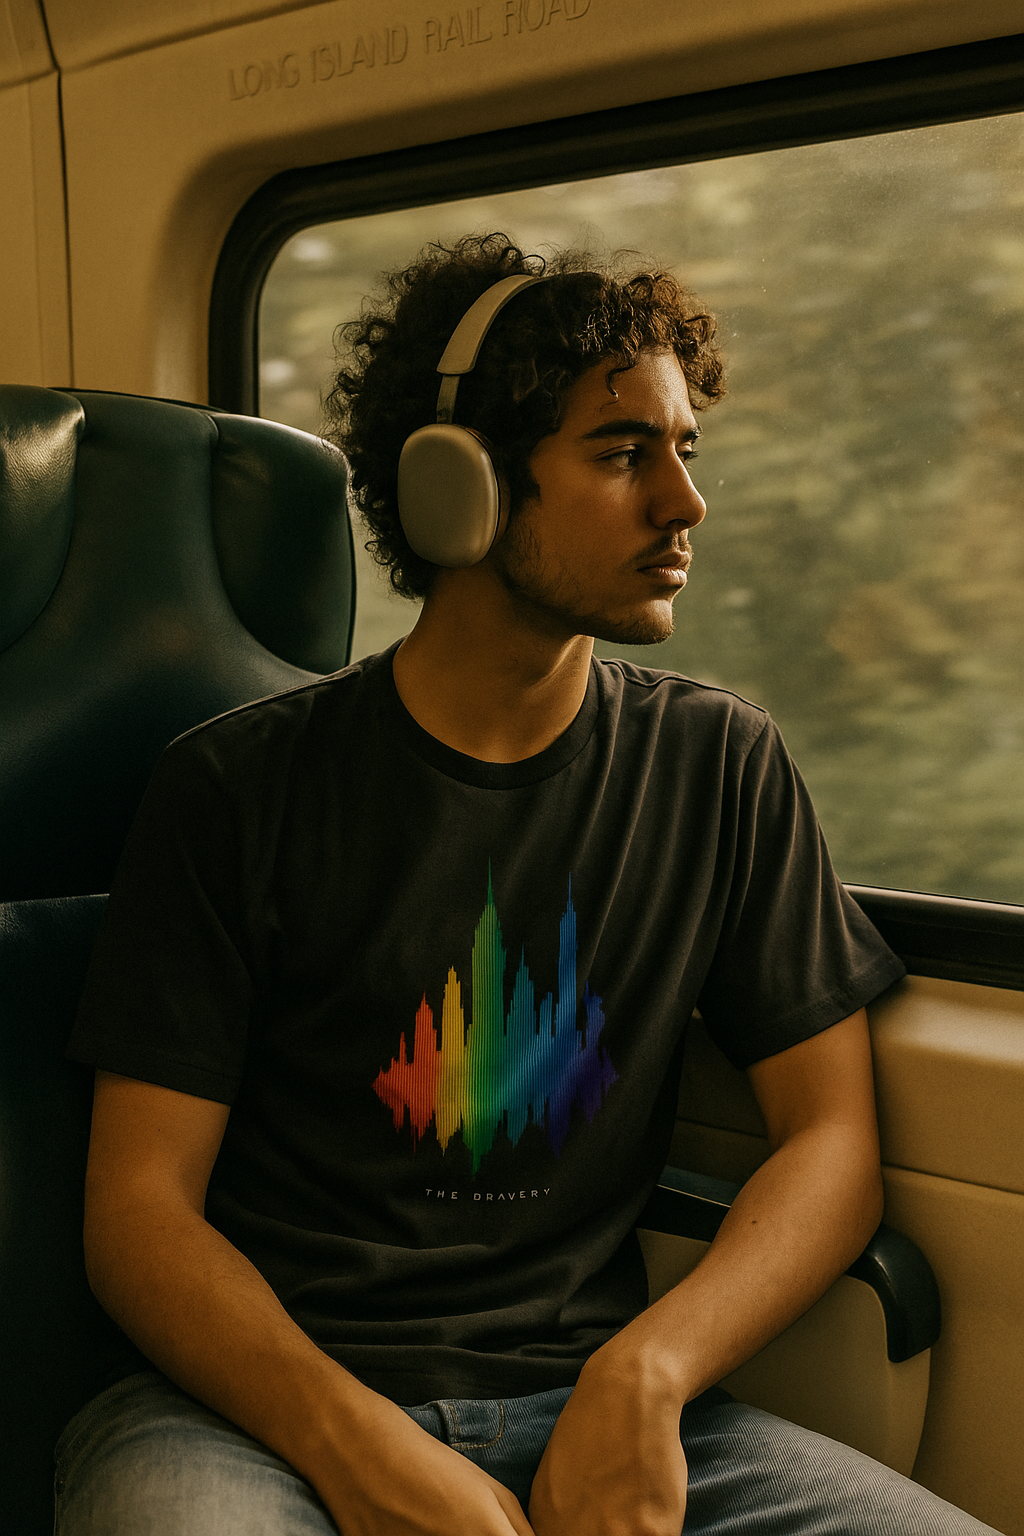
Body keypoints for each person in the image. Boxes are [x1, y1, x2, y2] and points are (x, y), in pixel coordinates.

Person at [60, 233, 1000, 1535]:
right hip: (254, 1415)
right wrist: (355, 1447)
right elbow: (137, 1215)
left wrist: (649, 1373)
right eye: (624, 454)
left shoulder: (718, 763)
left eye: (687, 450)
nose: (686, 504)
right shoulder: (238, 788)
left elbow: (833, 1146)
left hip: (593, 1392)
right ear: (462, 485)